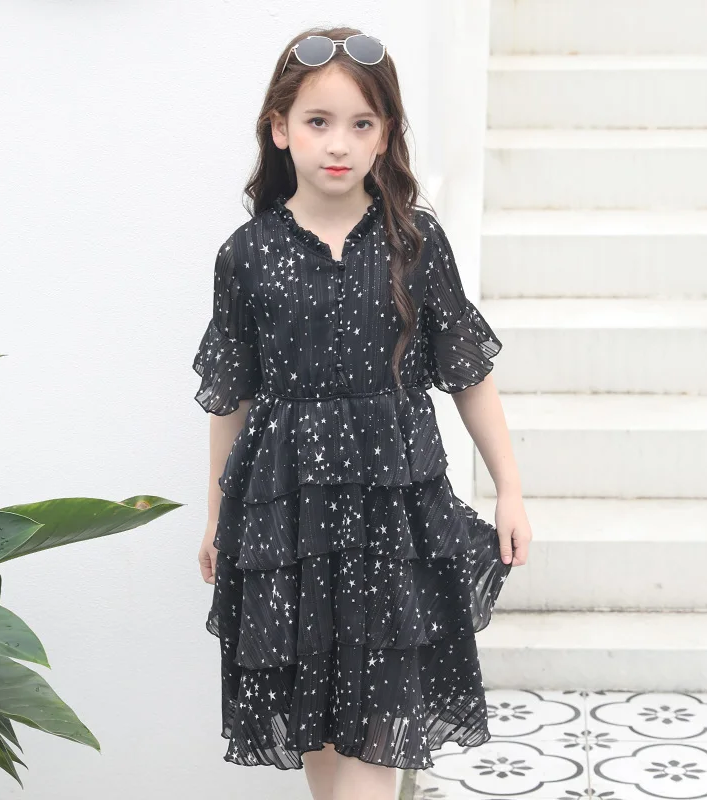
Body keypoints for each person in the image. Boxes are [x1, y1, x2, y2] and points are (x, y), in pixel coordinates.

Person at [194, 25, 533, 800]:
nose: (338, 143)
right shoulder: (246, 256)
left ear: (386, 137)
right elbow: (229, 400)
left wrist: (510, 488)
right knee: (316, 731)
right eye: (318, 121)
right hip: (289, 526)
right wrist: (215, 517)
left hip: (393, 522)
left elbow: (469, 376)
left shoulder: (416, 242)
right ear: (280, 129)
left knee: (373, 749)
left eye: (361, 123)